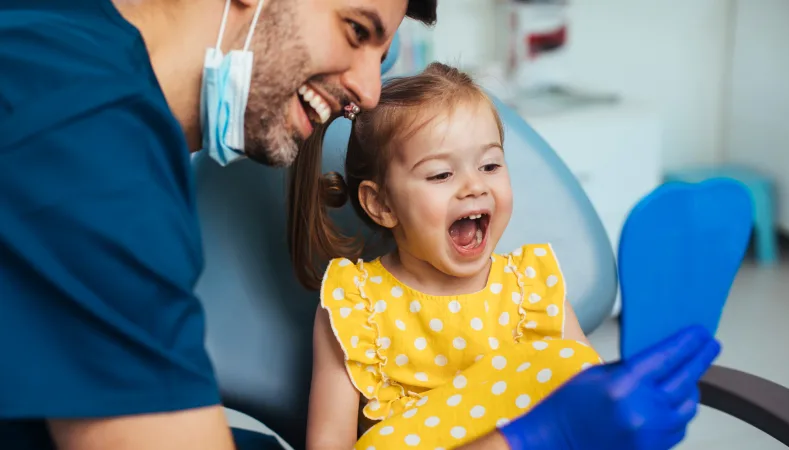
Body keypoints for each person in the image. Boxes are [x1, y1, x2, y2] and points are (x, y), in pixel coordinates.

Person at [0, 1, 718, 450]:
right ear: (377, 203)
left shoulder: (59, 41)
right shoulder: (87, 137)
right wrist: (538, 438)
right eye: (356, 30)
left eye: (383, 51)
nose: (368, 92)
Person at [288, 63, 721, 450]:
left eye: (491, 166)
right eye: (441, 173)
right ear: (381, 204)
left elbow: (592, 403)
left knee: (571, 368)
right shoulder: (355, 303)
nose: (475, 186)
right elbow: (328, 442)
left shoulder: (530, 287)